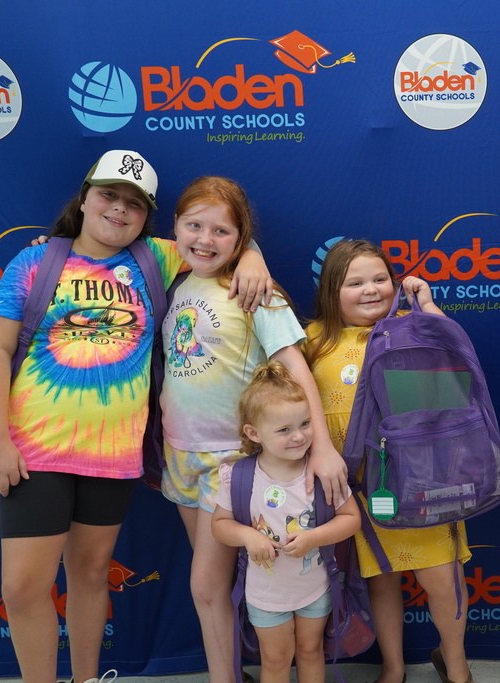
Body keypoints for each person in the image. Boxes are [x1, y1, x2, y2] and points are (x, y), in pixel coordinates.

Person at [0, 150, 270, 683]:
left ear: (147, 217)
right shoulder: (35, 263)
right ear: (85, 197)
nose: (118, 209)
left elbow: (217, 238)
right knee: (22, 588)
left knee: (90, 575)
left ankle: (86, 678)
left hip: (112, 455)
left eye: (134, 203)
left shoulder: (155, 258)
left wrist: (252, 257)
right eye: (109, 194)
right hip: (34, 451)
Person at [157, 176, 347, 683]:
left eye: (222, 232)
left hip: (230, 462)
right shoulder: (175, 275)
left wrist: (323, 448)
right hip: (181, 455)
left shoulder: (255, 291)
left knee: (206, 586)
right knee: (220, 586)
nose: (204, 239)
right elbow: (108, 240)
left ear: (240, 241)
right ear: (174, 227)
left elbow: (296, 367)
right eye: (194, 226)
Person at [302, 239, 475, 683]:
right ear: (330, 290)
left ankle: (456, 668)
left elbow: (455, 359)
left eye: (380, 279)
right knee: (380, 579)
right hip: (359, 490)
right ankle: (393, 669)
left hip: (424, 481)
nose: (371, 289)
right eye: (354, 282)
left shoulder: (411, 326)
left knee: (443, 578)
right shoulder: (312, 340)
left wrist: (428, 305)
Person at [212, 361, 361, 683]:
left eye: (306, 424)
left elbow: (351, 519)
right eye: (284, 430)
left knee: (310, 652)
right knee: (276, 660)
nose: (299, 436)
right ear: (254, 433)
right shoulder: (237, 476)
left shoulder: (323, 474)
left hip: (316, 587)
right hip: (265, 593)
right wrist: (247, 536)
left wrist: (314, 537)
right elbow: (220, 525)